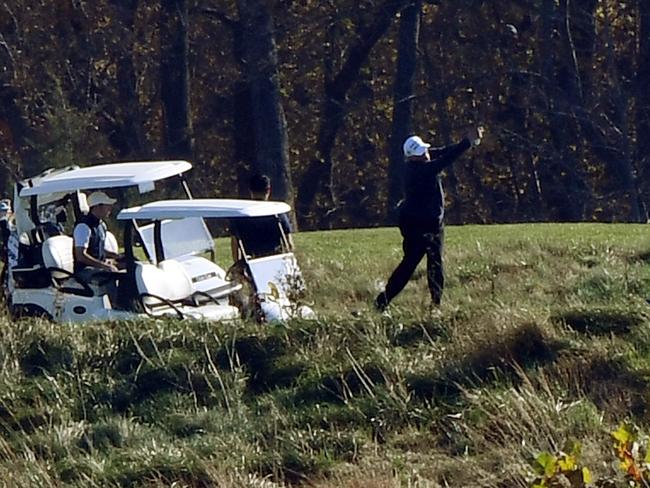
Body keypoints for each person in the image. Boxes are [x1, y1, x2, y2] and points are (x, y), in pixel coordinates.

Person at [375, 127, 484, 312]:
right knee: (410, 265)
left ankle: (435, 305)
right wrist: (466, 143)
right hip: (418, 226)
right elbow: (445, 160)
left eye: (424, 150)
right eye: (420, 153)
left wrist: (469, 142)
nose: (425, 154)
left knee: (435, 263)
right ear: (411, 157)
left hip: (432, 224)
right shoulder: (420, 171)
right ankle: (383, 301)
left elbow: (442, 151)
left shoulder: (421, 159)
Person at [230, 173, 294, 260]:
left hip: (251, 262)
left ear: (250, 190)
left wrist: (238, 265)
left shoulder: (240, 215)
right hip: (275, 260)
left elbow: (235, 244)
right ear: (268, 190)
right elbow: (288, 243)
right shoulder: (277, 213)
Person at [73, 191, 123, 283]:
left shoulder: (101, 225)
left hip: (98, 265)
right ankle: (114, 297)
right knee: (111, 275)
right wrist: (104, 266)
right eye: (107, 205)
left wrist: (117, 256)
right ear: (98, 206)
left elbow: (98, 249)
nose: (110, 208)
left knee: (129, 266)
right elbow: (81, 256)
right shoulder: (83, 227)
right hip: (85, 270)